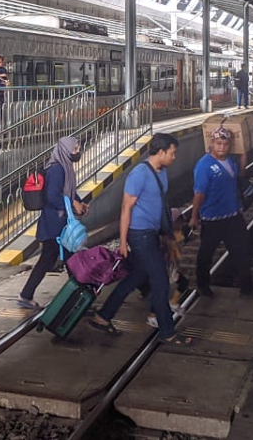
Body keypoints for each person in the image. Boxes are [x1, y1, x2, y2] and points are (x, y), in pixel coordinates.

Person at [88, 133, 194, 346]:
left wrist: (164, 235)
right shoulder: (139, 174)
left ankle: (103, 316)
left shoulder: (162, 172)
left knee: (136, 276)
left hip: (151, 233)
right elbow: (126, 208)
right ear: (161, 152)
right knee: (160, 281)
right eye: (172, 153)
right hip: (140, 234)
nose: (174, 157)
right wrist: (123, 242)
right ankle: (167, 331)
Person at [16, 137, 85, 310]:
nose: (78, 152)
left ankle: (79, 295)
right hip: (54, 225)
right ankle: (79, 296)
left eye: (78, 148)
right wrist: (72, 204)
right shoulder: (57, 169)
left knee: (63, 259)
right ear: (65, 150)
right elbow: (53, 196)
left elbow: (69, 192)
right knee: (55, 259)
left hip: (59, 223)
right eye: (75, 149)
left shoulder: (66, 167)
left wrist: (80, 202)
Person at [190, 127, 253, 297]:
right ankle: (202, 285)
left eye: (226, 144)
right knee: (206, 253)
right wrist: (194, 216)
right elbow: (199, 193)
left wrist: (243, 159)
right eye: (218, 143)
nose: (222, 147)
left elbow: (238, 176)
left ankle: (247, 288)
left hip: (233, 215)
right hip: (212, 219)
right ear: (212, 143)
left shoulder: (230, 161)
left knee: (242, 251)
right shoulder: (204, 165)